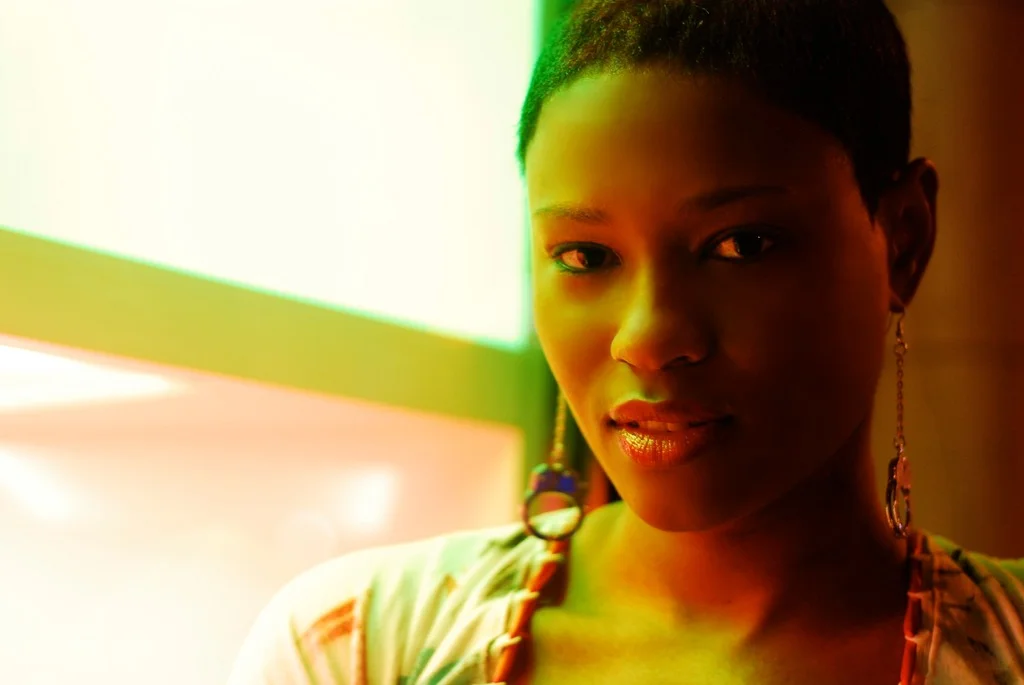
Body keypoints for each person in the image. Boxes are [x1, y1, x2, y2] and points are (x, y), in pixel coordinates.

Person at [227, 1, 1024, 683]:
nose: (646, 338)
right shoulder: (356, 646)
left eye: (740, 245)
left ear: (903, 239)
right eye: (585, 256)